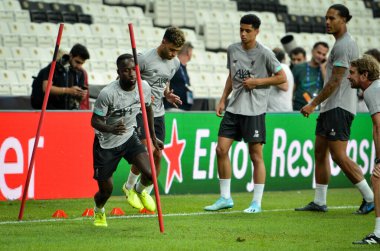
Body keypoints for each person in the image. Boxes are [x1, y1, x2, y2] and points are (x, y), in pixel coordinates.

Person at [295, 4, 374, 214]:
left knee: (339, 156)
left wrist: (313, 104)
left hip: (339, 106)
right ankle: (320, 201)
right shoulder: (340, 44)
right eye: (326, 18)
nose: (327, 22)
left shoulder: (344, 45)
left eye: (332, 18)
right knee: (320, 151)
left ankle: (371, 197)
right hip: (331, 106)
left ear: (344, 20)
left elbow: (335, 81)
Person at [204, 14, 286, 213]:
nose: (243, 33)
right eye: (241, 29)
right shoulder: (232, 49)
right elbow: (232, 76)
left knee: (255, 155)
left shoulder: (265, 53)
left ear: (257, 31)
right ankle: (225, 198)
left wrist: (257, 82)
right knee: (220, 150)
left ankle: (256, 202)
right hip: (233, 108)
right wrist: (223, 99)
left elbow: (282, 78)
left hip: (254, 111)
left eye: (248, 30)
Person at [91, 54, 163, 227]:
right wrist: (110, 128)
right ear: (119, 72)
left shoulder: (143, 87)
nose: (131, 74)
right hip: (106, 145)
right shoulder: (108, 93)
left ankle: (138, 190)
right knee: (105, 191)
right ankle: (99, 210)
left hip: (129, 137)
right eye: (126, 70)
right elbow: (94, 121)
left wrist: (153, 137)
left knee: (151, 174)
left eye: (133, 69)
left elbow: (148, 110)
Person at [122, 27, 185, 208]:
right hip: (140, 110)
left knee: (158, 154)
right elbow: (126, 80)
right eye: (172, 49)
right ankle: (128, 186)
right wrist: (138, 93)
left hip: (158, 113)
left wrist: (167, 94)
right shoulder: (144, 59)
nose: (174, 54)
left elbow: (165, 81)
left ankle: (142, 190)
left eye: (177, 51)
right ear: (164, 41)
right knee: (146, 148)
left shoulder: (175, 63)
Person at [349, 56, 380, 245]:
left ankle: (378, 233)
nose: (348, 77)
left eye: (352, 73)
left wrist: (379, 159)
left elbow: (378, 126)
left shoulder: (372, 91)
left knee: (377, 179)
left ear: (364, 74)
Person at [42, 43, 90, 109]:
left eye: (82, 63)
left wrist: (81, 94)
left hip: (70, 112)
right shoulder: (54, 67)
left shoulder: (81, 72)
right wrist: (68, 90)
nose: (79, 66)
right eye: (77, 62)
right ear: (70, 56)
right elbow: (46, 88)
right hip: (52, 111)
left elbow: (79, 100)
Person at [292, 42, 329, 111]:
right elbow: (292, 90)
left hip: (317, 110)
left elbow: (328, 87)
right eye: (319, 52)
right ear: (312, 51)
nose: (320, 56)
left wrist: (322, 68)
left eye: (324, 54)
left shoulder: (325, 70)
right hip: (298, 109)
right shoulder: (298, 67)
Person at [164, 42, 194, 111]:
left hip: (184, 107)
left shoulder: (183, 67)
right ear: (188, 53)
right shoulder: (173, 65)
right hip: (174, 108)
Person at [267, 47, 294, 112]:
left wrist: (267, 78)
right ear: (284, 58)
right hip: (279, 110)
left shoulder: (281, 67)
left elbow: (284, 86)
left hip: (279, 111)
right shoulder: (283, 67)